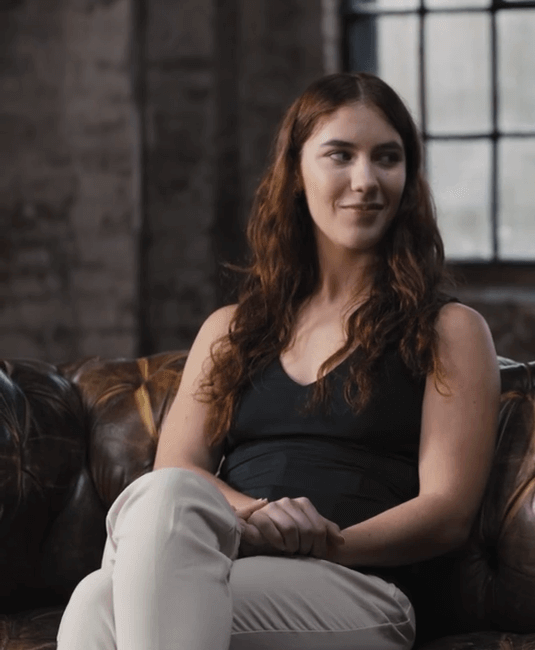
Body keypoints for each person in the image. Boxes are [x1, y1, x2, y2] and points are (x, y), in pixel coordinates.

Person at [57, 72, 500, 650]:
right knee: (115, 571)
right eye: (340, 155)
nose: (365, 180)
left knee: (108, 600)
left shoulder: (449, 329)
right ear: (296, 172)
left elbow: (446, 513)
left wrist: (320, 540)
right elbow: (178, 470)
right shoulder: (232, 328)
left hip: (360, 587)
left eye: (386, 158)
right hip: (235, 555)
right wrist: (261, 520)